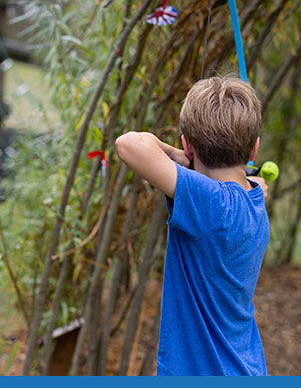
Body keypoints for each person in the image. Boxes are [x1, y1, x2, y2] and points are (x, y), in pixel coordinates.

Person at [114, 76, 270, 376]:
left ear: (188, 145)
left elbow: (129, 144)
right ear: (254, 151)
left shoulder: (210, 203)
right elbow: (253, 184)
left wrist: (177, 156)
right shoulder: (254, 198)